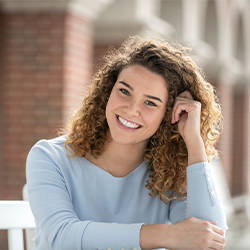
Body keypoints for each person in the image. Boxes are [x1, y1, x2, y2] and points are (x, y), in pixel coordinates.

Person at [26, 35, 228, 250]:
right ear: (107, 93)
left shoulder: (169, 173)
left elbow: (210, 240)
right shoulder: (48, 157)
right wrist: (167, 235)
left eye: (150, 103)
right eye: (124, 91)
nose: (131, 110)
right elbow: (61, 236)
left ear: (168, 115)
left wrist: (193, 140)